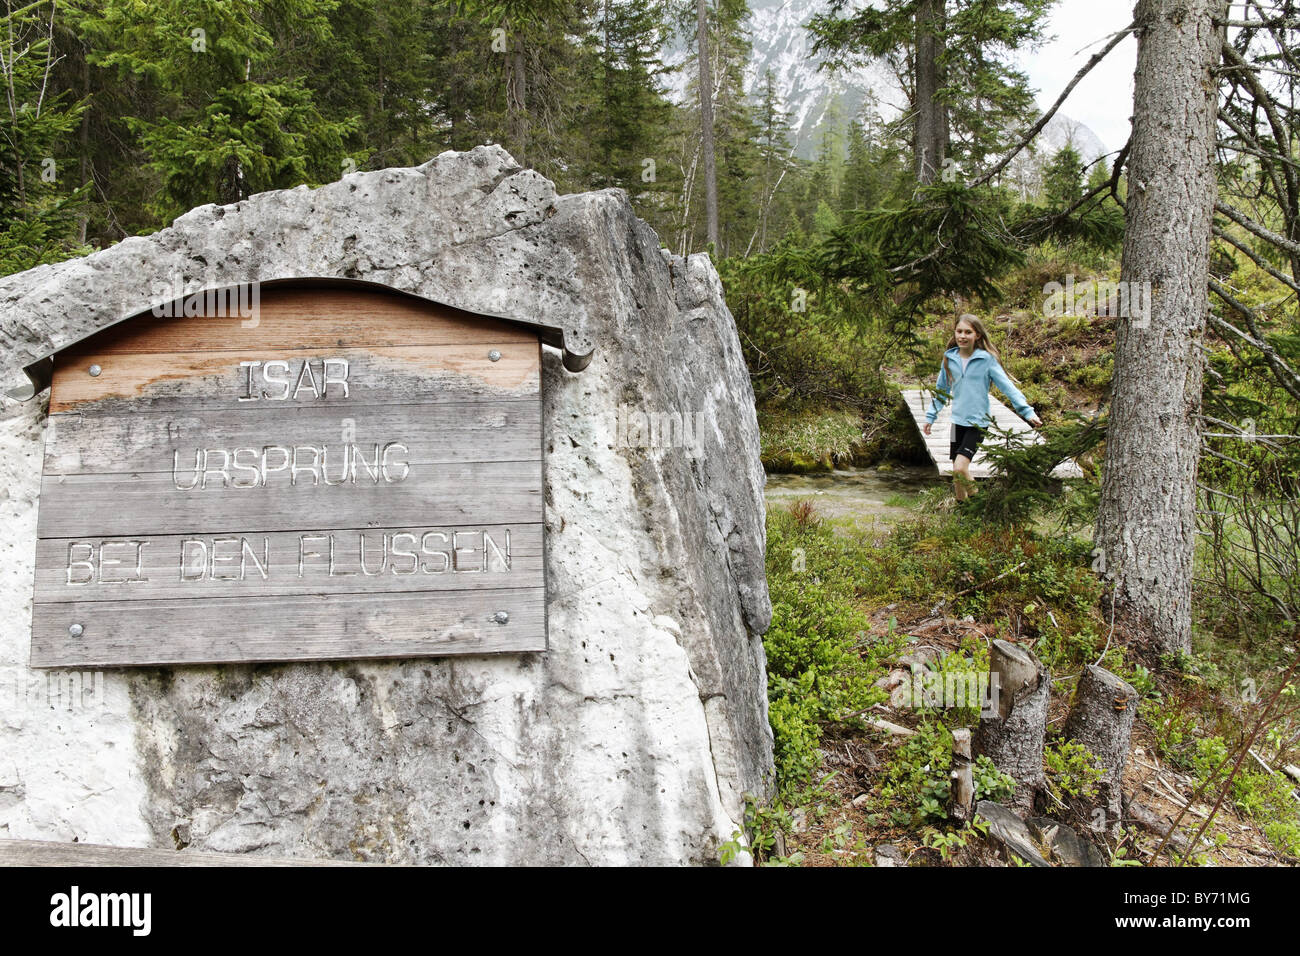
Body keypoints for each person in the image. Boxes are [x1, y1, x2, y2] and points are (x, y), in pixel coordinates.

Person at [922, 314, 1042, 500]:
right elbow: (941, 390)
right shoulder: (949, 359)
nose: (962, 336)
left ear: (977, 335)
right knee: (956, 471)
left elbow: (1007, 387)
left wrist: (1026, 411)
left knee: (961, 467)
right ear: (954, 333)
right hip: (957, 422)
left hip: (977, 423)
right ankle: (962, 510)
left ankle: (980, 505)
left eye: (968, 332)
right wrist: (931, 416)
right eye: (959, 331)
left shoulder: (986, 360)